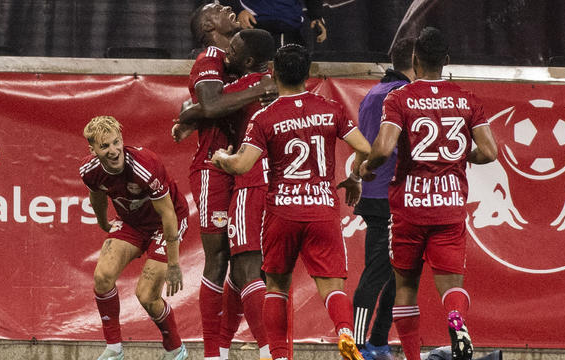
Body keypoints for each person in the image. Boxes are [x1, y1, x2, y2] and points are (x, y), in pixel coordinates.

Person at [211, 43, 370, 360]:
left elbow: (242, 165)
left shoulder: (265, 117)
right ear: (308, 74)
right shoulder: (330, 109)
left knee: (277, 287)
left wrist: (222, 159)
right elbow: (365, 148)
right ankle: (344, 332)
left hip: (282, 212)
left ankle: (280, 356)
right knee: (332, 286)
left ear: (272, 74)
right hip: (322, 209)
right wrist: (355, 179)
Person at [359, 27, 498, 360]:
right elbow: (490, 151)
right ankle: (456, 321)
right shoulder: (467, 99)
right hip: (449, 206)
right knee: (452, 286)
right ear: (447, 61)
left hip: (409, 207)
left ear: (414, 59)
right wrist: (462, 156)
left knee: (405, 288)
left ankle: (411, 357)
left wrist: (366, 167)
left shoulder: (399, 98)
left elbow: (385, 146)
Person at [173, 4, 277, 360]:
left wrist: (189, 113)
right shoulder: (210, 58)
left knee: (243, 259)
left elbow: (207, 106)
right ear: (207, 25)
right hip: (212, 169)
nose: (227, 7)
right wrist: (261, 89)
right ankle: (212, 351)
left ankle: (230, 344)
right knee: (218, 259)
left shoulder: (236, 59)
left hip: (242, 170)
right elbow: (214, 104)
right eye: (216, 8)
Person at [79, 116, 189, 360]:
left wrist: (173, 264)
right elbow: (96, 196)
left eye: (116, 142)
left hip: (164, 224)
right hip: (132, 222)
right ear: (93, 150)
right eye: (105, 146)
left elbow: (169, 214)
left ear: (122, 140)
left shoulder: (144, 165)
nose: (113, 151)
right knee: (102, 276)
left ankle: (175, 349)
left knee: (147, 295)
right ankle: (114, 349)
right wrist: (103, 222)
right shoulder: (89, 170)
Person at [352, 37, 415, 360]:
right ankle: (358, 344)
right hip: (387, 195)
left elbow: (364, 145)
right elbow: (381, 147)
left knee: (396, 271)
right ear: (417, 59)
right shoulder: (399, 94)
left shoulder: (375, 92)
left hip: (382, 193)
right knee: (379, 271)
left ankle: (376, 341)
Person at [222, 0, 327, 47]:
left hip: (292, 26)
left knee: (293, 80)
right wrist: (237, 10)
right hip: (254, 26)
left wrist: (316, 15)